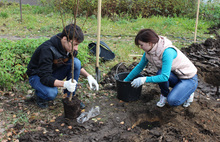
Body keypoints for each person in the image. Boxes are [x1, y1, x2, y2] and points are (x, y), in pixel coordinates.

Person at [26, 24, 99, 109]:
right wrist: (64, 84)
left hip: (52, 72)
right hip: (37, 76)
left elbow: (76, 65)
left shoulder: (69, 49)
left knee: (76, 62)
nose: (76, 48)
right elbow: (45, 77)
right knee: (51, 93)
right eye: (75, 44)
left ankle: (69, 97)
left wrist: (89, 76)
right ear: (65, 39)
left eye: (77, 45)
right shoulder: (47, 50)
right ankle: (39, 96)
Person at [124, 29, 198, 107]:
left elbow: (165, 77)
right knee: (160, 72)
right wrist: (126, 80)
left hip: (189, 78)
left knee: (172, 101)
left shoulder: (167, 52)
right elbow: (139, 67)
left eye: (141, 45)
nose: (140, 47)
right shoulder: (149, 52)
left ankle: (188, 93)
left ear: (149, 43)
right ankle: (165, 95)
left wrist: (144, 79)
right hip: (176, 76)